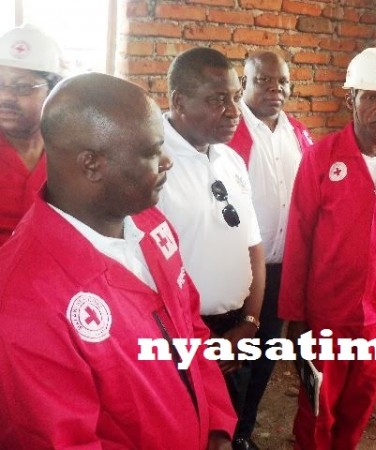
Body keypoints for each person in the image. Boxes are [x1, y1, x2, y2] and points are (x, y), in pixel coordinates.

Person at [0, 72, 236, 449]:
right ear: (92, 164)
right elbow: (60, 441)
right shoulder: (23, 300)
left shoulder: (148, 221)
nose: (167, 162)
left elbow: (191, 328)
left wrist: (217, 426)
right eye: (151, 151)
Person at [278, 47, 376, 449]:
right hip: (326, 312)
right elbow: (299, 238)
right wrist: (295, 314)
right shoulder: (321, 158)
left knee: (359, 406)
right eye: (372, 97)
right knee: (317, 407)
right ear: (351, 100)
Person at [157, 47, 266, 439]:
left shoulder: (230, 160)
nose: (235, 109)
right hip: (180, 338)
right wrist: (199, 343)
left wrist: (249, 325)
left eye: (236, 96)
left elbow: (253, 245)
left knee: (230, 426)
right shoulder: (153, 163)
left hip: (235, 331)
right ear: (179, 102)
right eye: (218, 100)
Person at [227, 50, 313, 450]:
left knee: (266, 355)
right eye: (263, 80)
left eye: (282, 82)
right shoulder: (228, 131)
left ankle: (243, 432)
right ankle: (221, 431)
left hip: (282, 269)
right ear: (244, 83)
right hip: (237, 270)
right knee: (233, 357)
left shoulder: (299, 135)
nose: (274, 89)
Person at [0, 24, 63, 247]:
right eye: (0, 85)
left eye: (23, 87)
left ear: (52, 91)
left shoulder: (67, 150)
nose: (6, 96)